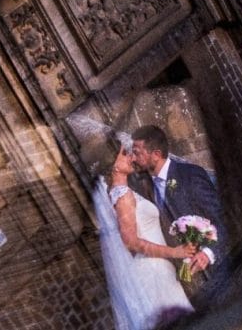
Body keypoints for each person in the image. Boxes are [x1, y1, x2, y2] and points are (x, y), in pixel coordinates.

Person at [91, 134, 195, 330]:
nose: (131, 157)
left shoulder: (121, 192)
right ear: (112, 164)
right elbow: (131, 242)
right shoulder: (123, 196)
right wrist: (175, 252)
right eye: (124, 154)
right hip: (152, 271)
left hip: (156, 267)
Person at [129, 125, 227, 307]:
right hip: (182, 282)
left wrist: (207, 253)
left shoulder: (190, 175)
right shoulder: (145, 186)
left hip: (214, 274)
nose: (133, 158)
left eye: (137, 152)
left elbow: (221, 218)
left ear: (156, 154)